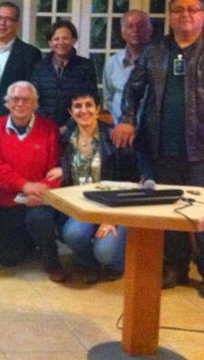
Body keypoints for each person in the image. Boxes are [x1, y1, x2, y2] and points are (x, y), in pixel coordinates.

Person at [112, 0, 204, 300]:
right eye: (178, 10)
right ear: (170, 16)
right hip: (161, 149)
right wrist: (127, 118)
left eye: (193, 9)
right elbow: (133, 90)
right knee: (171, 212)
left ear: (203, 14)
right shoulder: (155, 50)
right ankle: (175, 267)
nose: (185, 15)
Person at [0, 82, 65, 282]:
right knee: (8, 259)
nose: (20, 104)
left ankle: (51, 258)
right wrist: (25, 186)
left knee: (39, 219)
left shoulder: (49, 128)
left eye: (26, 99)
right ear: (7, 103)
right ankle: (29, 241)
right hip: (9, 199)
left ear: (35, 104)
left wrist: (40, 191)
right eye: (15, 99)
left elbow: (55, 169)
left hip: (41, 199)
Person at [59, 91, 140, 283]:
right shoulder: (66, 139)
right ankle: (89, 263)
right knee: (72, 234)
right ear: (71, 112)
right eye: (78, 106)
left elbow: (132, 183)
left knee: (106, 251)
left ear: (97, 109)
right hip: (83, 206)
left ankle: (115, 264)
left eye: (89, 105)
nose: (83, 110)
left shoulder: (115, 138)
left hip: (115, 208)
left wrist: (111, 218)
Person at [0, 2, 42, 129]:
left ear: (17, 24)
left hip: (9, 124)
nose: (2, 23)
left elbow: (32, 90)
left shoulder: (29, 53)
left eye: (8, 19)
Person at [30, 20, 98, 130]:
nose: (60, 42)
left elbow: (91, 99)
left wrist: (68, 127)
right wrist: (49, 126)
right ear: (50, 43)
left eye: (65, 38)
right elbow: (34, 99)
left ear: (73, 40)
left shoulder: (85, 66)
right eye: (56, 39)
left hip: (77, 129)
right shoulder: (40, 66)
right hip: (44, 128)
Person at [103, 10, 153, 124]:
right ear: (122, 32)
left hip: (153, 132)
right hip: (121, 132)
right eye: (130, 26)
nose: (135, 30)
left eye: (141, 26)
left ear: (150, 30)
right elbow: (109, 98)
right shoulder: (112, 63)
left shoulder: (159, 62)